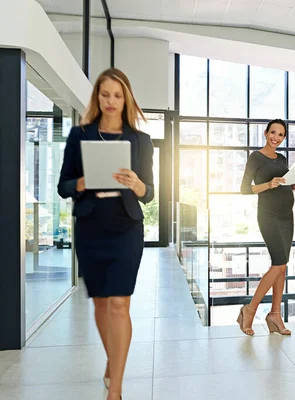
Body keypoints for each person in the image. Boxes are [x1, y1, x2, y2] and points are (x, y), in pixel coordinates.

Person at [58, 68, 154, 400]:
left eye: (117, 95)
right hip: (91, 226)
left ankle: (117, 388)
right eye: (105, 94)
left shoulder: (139, 139)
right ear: (97, 97)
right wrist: (81, 183)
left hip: (126, 227)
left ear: (125, 98)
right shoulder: (79, 135)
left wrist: (136, 183)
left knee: (119, 303)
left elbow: (150, 192)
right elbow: (63, 186)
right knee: (100, 303)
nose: (110, 101)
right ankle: (114, 360)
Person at [237, 119, 295, 336]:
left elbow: (283, 184)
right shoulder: (256, 157)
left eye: (281, 134)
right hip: (269, 216)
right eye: (273, 132)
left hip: (288, 216)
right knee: (278, 265)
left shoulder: (282, 158)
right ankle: (249, 310)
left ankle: (275, 315)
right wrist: (268, 184)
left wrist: (294, 185)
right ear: (266, 133)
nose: (276, 137)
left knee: (283, 266)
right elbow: (244, 189)